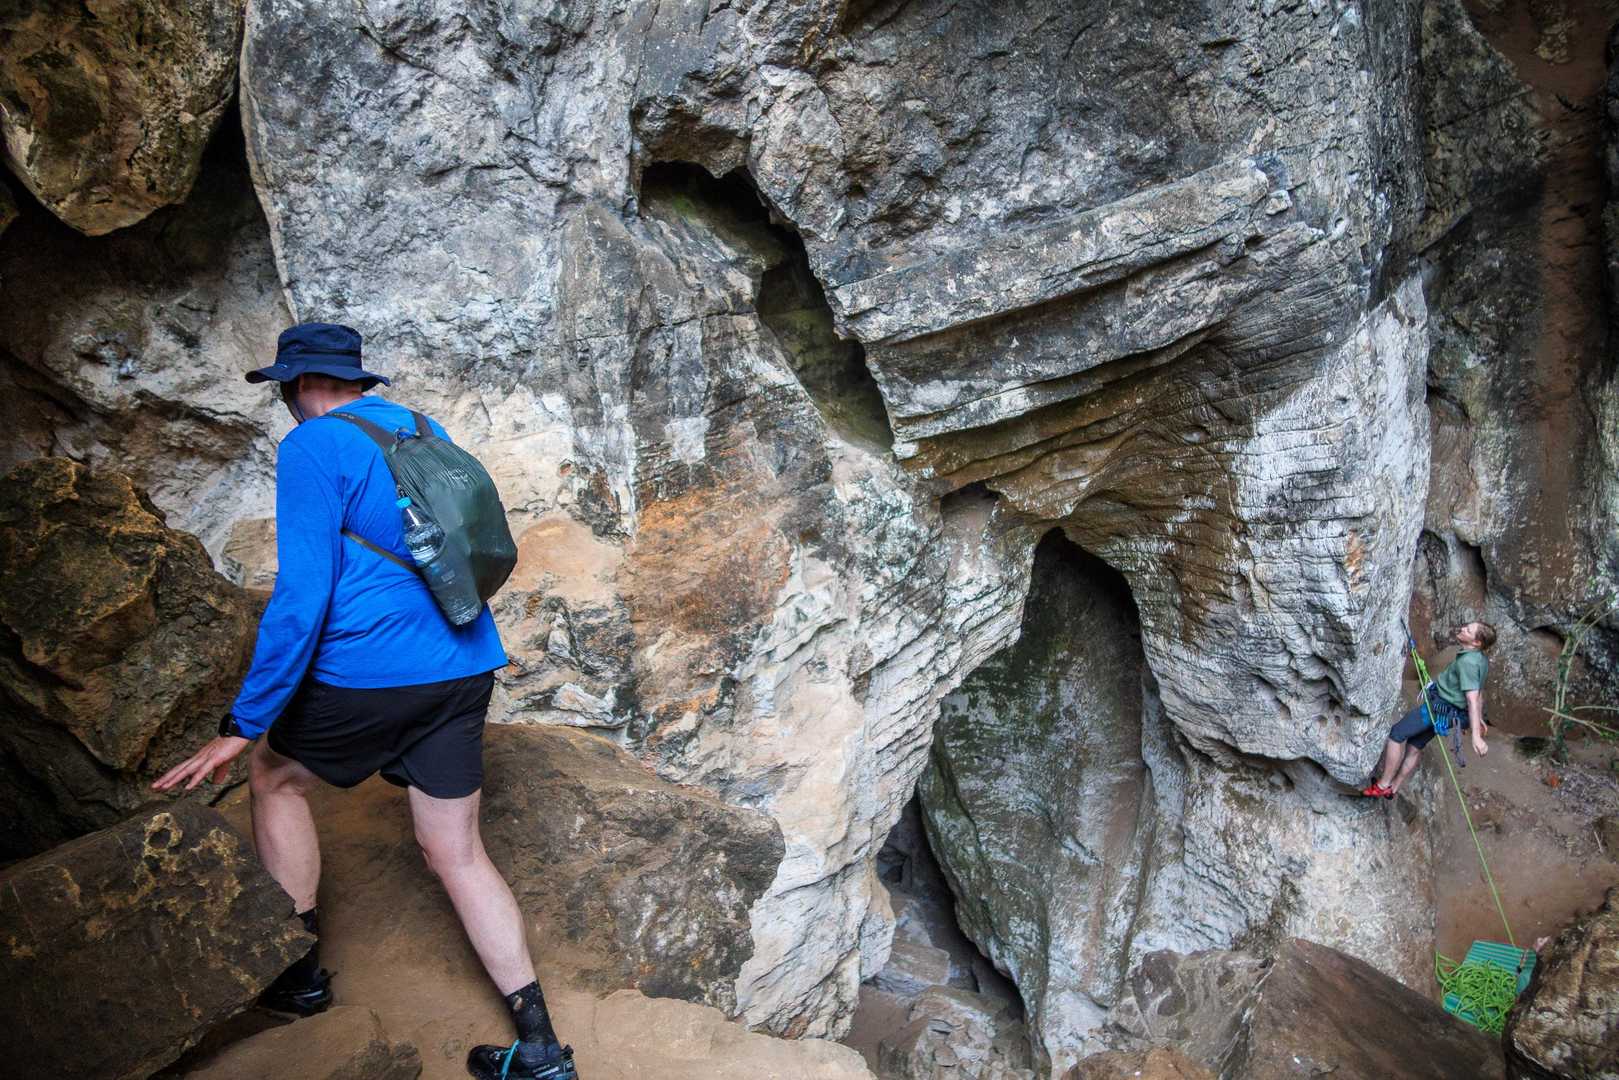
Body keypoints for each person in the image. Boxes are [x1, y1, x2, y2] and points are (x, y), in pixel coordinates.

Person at [153, 323, 578, 1080]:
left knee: (275, 775)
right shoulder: (422, 428)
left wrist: (244, 723)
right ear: (355, 381)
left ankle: (300, 977)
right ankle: (541, 1050)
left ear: (295, 385)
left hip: (370, 672)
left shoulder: (312, 446)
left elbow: (301, 596)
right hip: (464, 663)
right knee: (457, 852)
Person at [1362, 621, 1497, 799]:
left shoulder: (1468, 663)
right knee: (1415, 745)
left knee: (1396, 734)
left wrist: (1476, 736)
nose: (1463, 628)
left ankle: (1383, 784)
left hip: (1439, 709)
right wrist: (1477, 718)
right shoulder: (1480, 659)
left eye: (1468, 630)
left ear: (1476, 642)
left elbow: (1472, 699)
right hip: (1448, 712)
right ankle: (1394, 787)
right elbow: (1478, 692)